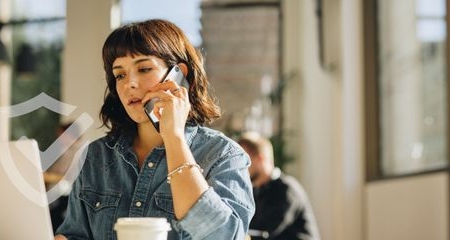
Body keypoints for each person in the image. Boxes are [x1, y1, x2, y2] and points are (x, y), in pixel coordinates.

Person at [55, 19, 254, 240]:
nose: (129, 83)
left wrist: (174, 137)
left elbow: (225, 236)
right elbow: (74, 234)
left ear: (178, 75)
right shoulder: (96, 156)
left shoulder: (222, 155)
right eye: (119, 74)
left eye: (144, 69)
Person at [236, 132, 320, 240]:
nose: (240, 167)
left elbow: (264, 232)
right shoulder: (255, 191)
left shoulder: (287, 189)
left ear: (261, 159)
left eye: (245, 161)